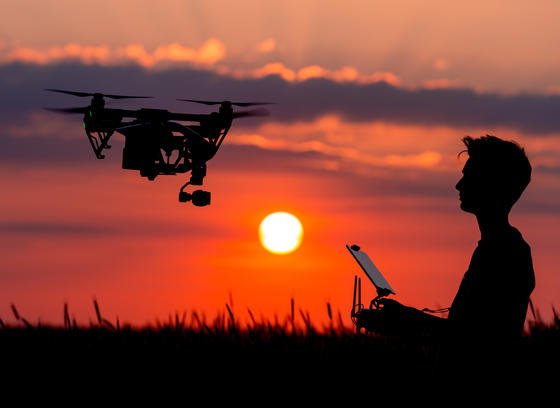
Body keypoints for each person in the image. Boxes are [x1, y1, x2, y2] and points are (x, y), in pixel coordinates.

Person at [376, 134, 535, 380]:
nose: (458, 186)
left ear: (492, 185)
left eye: (469, 177)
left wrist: (409, 321)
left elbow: (482, 341)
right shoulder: (495, 247)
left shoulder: (506, 253)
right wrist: (406, 320)